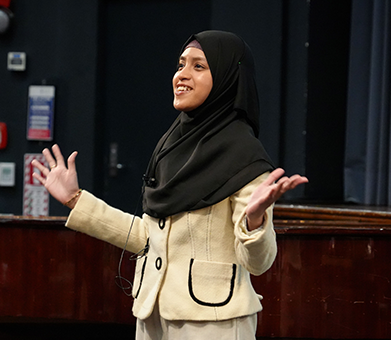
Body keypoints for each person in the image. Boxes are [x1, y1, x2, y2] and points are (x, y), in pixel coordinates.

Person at [32, 30, 308, 339]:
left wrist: (255, 222)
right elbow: (146, 238)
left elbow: (258, 264)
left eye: (198, 66)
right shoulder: (171, 146)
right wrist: (74, 199)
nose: (182, 76)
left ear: (229, 76)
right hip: (152, 317)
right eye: (180, 65)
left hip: (211, 323)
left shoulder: (244, 156)